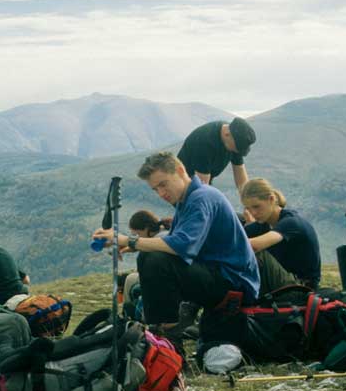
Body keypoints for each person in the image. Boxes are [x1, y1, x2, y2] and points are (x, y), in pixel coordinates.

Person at [92, 152, 260, 345]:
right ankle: (161, 332)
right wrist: (131, 246)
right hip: (219, 277)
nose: (161, 193)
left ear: (180, 171)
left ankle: (168, 339)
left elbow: (181, 245)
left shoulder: (201, 197)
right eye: (156, 189)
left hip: (234, 284)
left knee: (156, 260)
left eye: (163, 184)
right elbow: (175, 240)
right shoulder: (187, 200)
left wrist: (129, 241)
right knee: (149, 256)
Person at [241, 178, 322, 290]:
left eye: (256, 206)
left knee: (255, 253)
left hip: (301, 287)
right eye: (248, 208)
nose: (253, 213)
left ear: (271, 199)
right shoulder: (263, 224)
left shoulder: (292, 222)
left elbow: (254, 246)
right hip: (282, 284)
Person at [177, 117, 257, 193]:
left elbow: (241, 180)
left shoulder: (235, 137)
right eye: (238, 147)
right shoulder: (205, 142)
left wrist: (248, 202)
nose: (238, 151)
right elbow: (202, 187)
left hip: (203, 180)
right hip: (183, 183)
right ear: (227, 134)